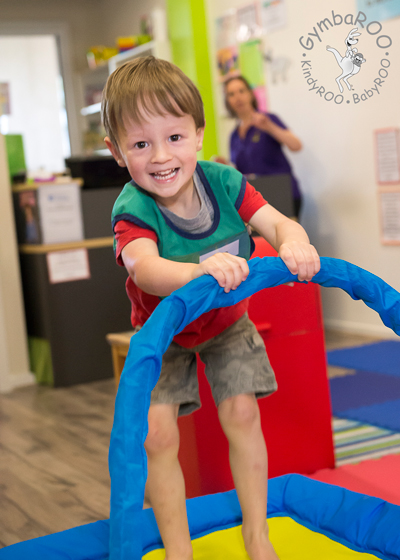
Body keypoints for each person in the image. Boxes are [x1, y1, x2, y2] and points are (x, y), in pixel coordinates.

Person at [102, 56, 320, 560]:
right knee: (156, 436)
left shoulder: (223, 182)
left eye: (174, 138)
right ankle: (179, 549)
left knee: (241, 411)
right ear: (117, 152)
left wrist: (295, 242)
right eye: (140, 144)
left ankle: (257, 534)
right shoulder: (133, 207)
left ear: (198, 134)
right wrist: (201, 274)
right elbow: (145, 270)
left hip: (227, 323)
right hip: (163, 331)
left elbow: (278, 223)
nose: (161, 156)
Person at [223, 75, 303, 219]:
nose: (237, 97)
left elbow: (296, 145)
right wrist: (226, 167)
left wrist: (270, 128)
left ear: (250, 94)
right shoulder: (234, 136)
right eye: (231, 94)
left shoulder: (268, 119)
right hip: (257, 201)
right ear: (227, 101)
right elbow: (241, 172)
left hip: (282, 195)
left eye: (241, 91)